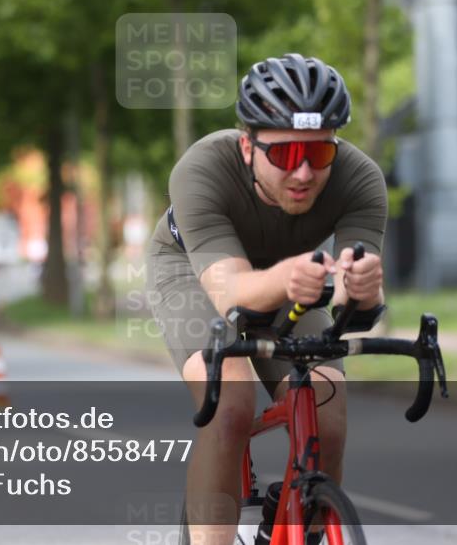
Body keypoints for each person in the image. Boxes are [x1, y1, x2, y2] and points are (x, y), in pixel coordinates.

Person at [146, 54, 388, 544]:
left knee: (327, 404)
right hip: (195, 272)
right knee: (231, 405)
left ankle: (306, 523)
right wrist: (288, 278)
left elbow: (351, 300)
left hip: (292, 274)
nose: (302, 173)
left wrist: (361, 288)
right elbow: (230, 292)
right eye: (284, 154)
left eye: (318, 155)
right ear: (247, 147)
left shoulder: (360, 179)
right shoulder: (202, 168)